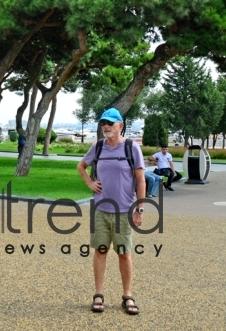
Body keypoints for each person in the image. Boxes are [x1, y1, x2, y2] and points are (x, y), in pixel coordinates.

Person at [77, 108, 145, 315]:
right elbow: (81, 166)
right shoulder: (98, 147)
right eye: (103, 123)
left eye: (110, 123)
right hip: (101, 210)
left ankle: (127, 295)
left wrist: (139, 209)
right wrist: (90, 182)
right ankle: (98, 294)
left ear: (120, 125)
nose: (106, 126)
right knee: (101, 251)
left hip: (125, 211)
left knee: (124, 253)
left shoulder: (131, 148)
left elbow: (141, 180)